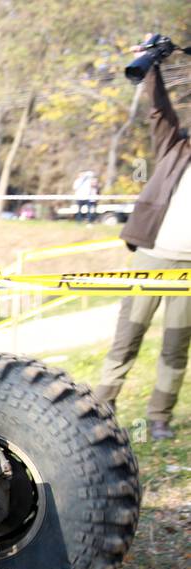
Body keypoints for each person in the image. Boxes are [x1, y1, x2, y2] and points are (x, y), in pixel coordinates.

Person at [95, 47, 191, 441]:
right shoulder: (175, 147)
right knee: (127, 337)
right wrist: (152, 69)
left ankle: (158, 419)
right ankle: (102, 407)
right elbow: (159, 111)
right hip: (153, 258)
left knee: (174, 346)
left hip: (189, 271)